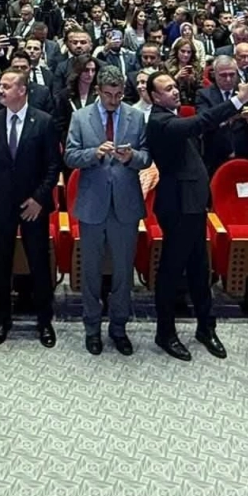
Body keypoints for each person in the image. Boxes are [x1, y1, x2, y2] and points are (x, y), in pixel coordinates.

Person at [144, 69, 248, 360]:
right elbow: (200, 122)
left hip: (194, 204)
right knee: (172, 271)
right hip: (177, 207)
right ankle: (165, 332)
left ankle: (206, 327)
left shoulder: (174, 117)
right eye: (167, 89)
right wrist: (238, 100)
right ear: (154, 97)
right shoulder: (159, 121)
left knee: (200, 269)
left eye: (174, 86)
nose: (174, 91)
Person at [63, 65, 149, 355]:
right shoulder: (80, 117)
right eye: (109, 94)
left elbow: (147, 158)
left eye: (119, 94)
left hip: (125, 204)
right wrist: (93, 153)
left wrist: (132, 157)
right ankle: (92, 328)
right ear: (98, 90)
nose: (114, 100)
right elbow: (70, 156)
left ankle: (119, 328)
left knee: (124, 272)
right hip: (92, 205)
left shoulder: (136, 116)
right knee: (91, 272)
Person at [0, 70, 61, 346]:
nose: (0, 90)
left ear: (22, 90)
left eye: (6, 86)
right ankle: (2, 320)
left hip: (33, 205)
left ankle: (44, 321)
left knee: (39, 263)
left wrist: (39, 199)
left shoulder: (44, 121)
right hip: (1, 204)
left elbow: (53, 166)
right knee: (1, 264)